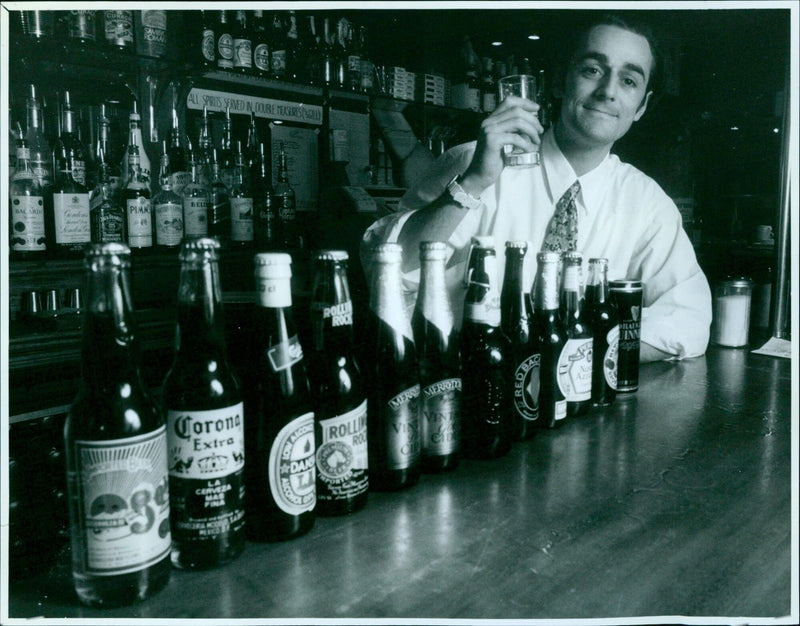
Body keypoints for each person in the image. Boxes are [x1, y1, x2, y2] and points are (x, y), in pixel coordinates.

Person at [361, 13, 711, 362]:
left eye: (629, 81)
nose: (608, 92)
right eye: (592, 70)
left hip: (581, 399)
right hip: (466, 387)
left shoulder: (646, 202)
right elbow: (383, 267)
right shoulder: (475, 163)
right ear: (560, 81)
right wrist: (474, 183)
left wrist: (578, 355)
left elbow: (689, 319)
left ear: (641, 107)